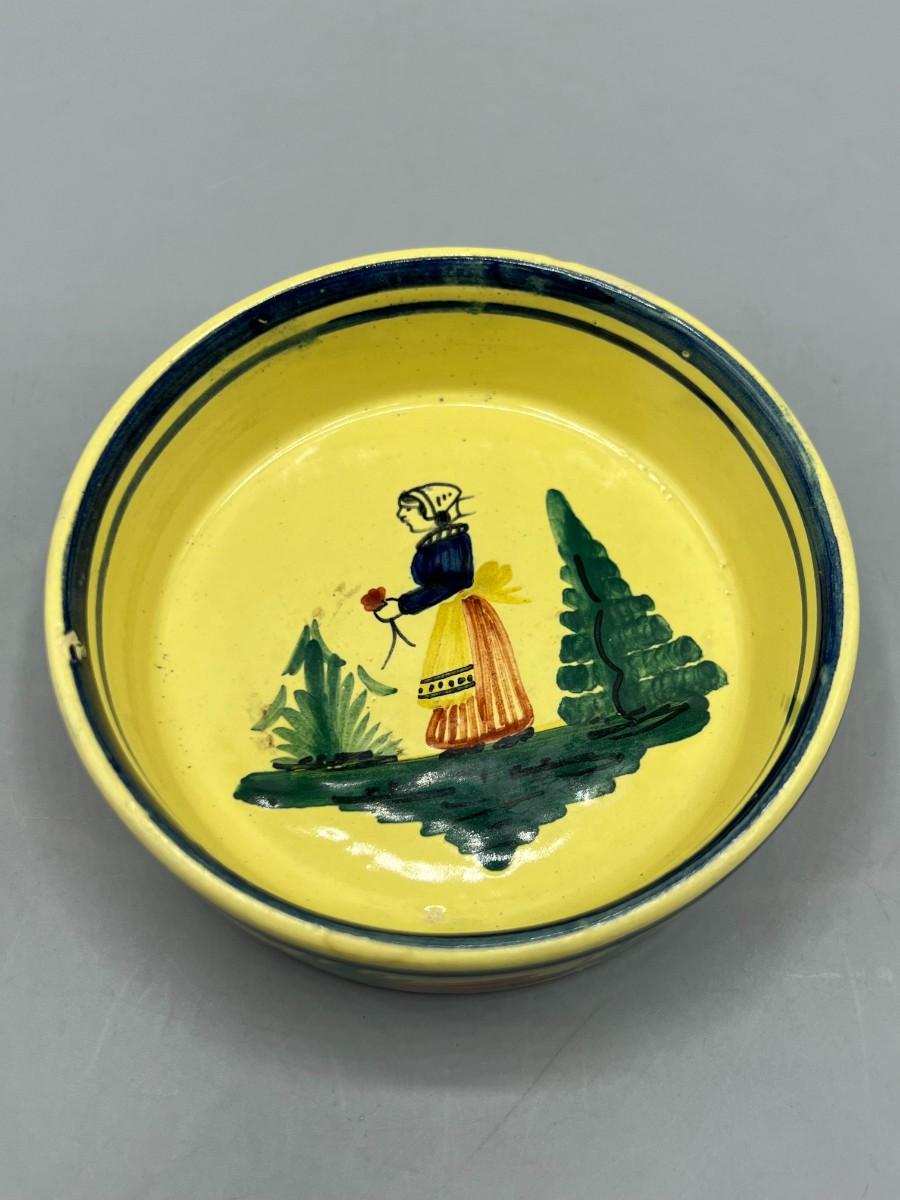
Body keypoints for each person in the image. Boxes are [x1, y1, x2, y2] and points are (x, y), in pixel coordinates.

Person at [371, 482, 533, 750]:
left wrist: (404, 605)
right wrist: (401, 604)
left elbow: (451, 584)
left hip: (465, 617)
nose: (402, 514)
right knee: (463, 675)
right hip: (452, 615)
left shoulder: (451, 543)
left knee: (476, 672)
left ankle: (503, 728)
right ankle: (468, 736)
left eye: (408, 509)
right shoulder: (434, 544)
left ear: (430, 512)